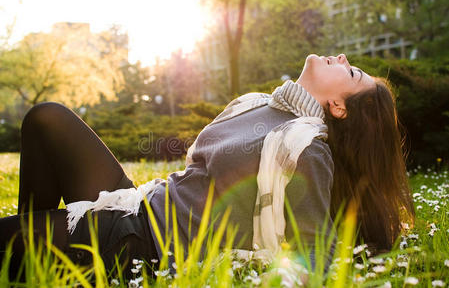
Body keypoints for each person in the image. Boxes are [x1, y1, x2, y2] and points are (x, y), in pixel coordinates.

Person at [0, 54, 414, 280]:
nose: (341, 56)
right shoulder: (263, 107)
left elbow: (315, 256)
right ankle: (38, 240)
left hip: (140, 244)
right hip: (135, 201)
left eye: (352, 70)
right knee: (46, 118)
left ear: (339, 106)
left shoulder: (306, 149)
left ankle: (38, 246)